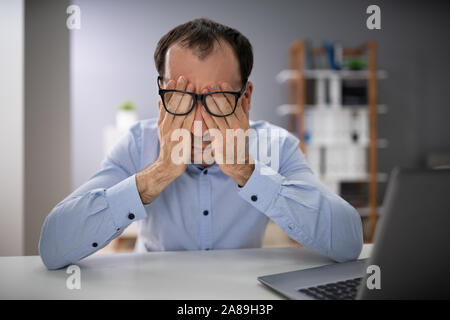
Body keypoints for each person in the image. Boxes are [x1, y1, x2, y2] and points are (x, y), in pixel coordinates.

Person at [39, 18, 363, 270]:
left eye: (218, 97)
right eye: (180, 96)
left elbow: (348, 242)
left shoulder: (276, 146)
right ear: (161, 97)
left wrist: (248, 172)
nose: (197, 122)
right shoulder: (137, 144)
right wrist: (157, 174)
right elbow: (54, 246)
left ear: (245, 99)